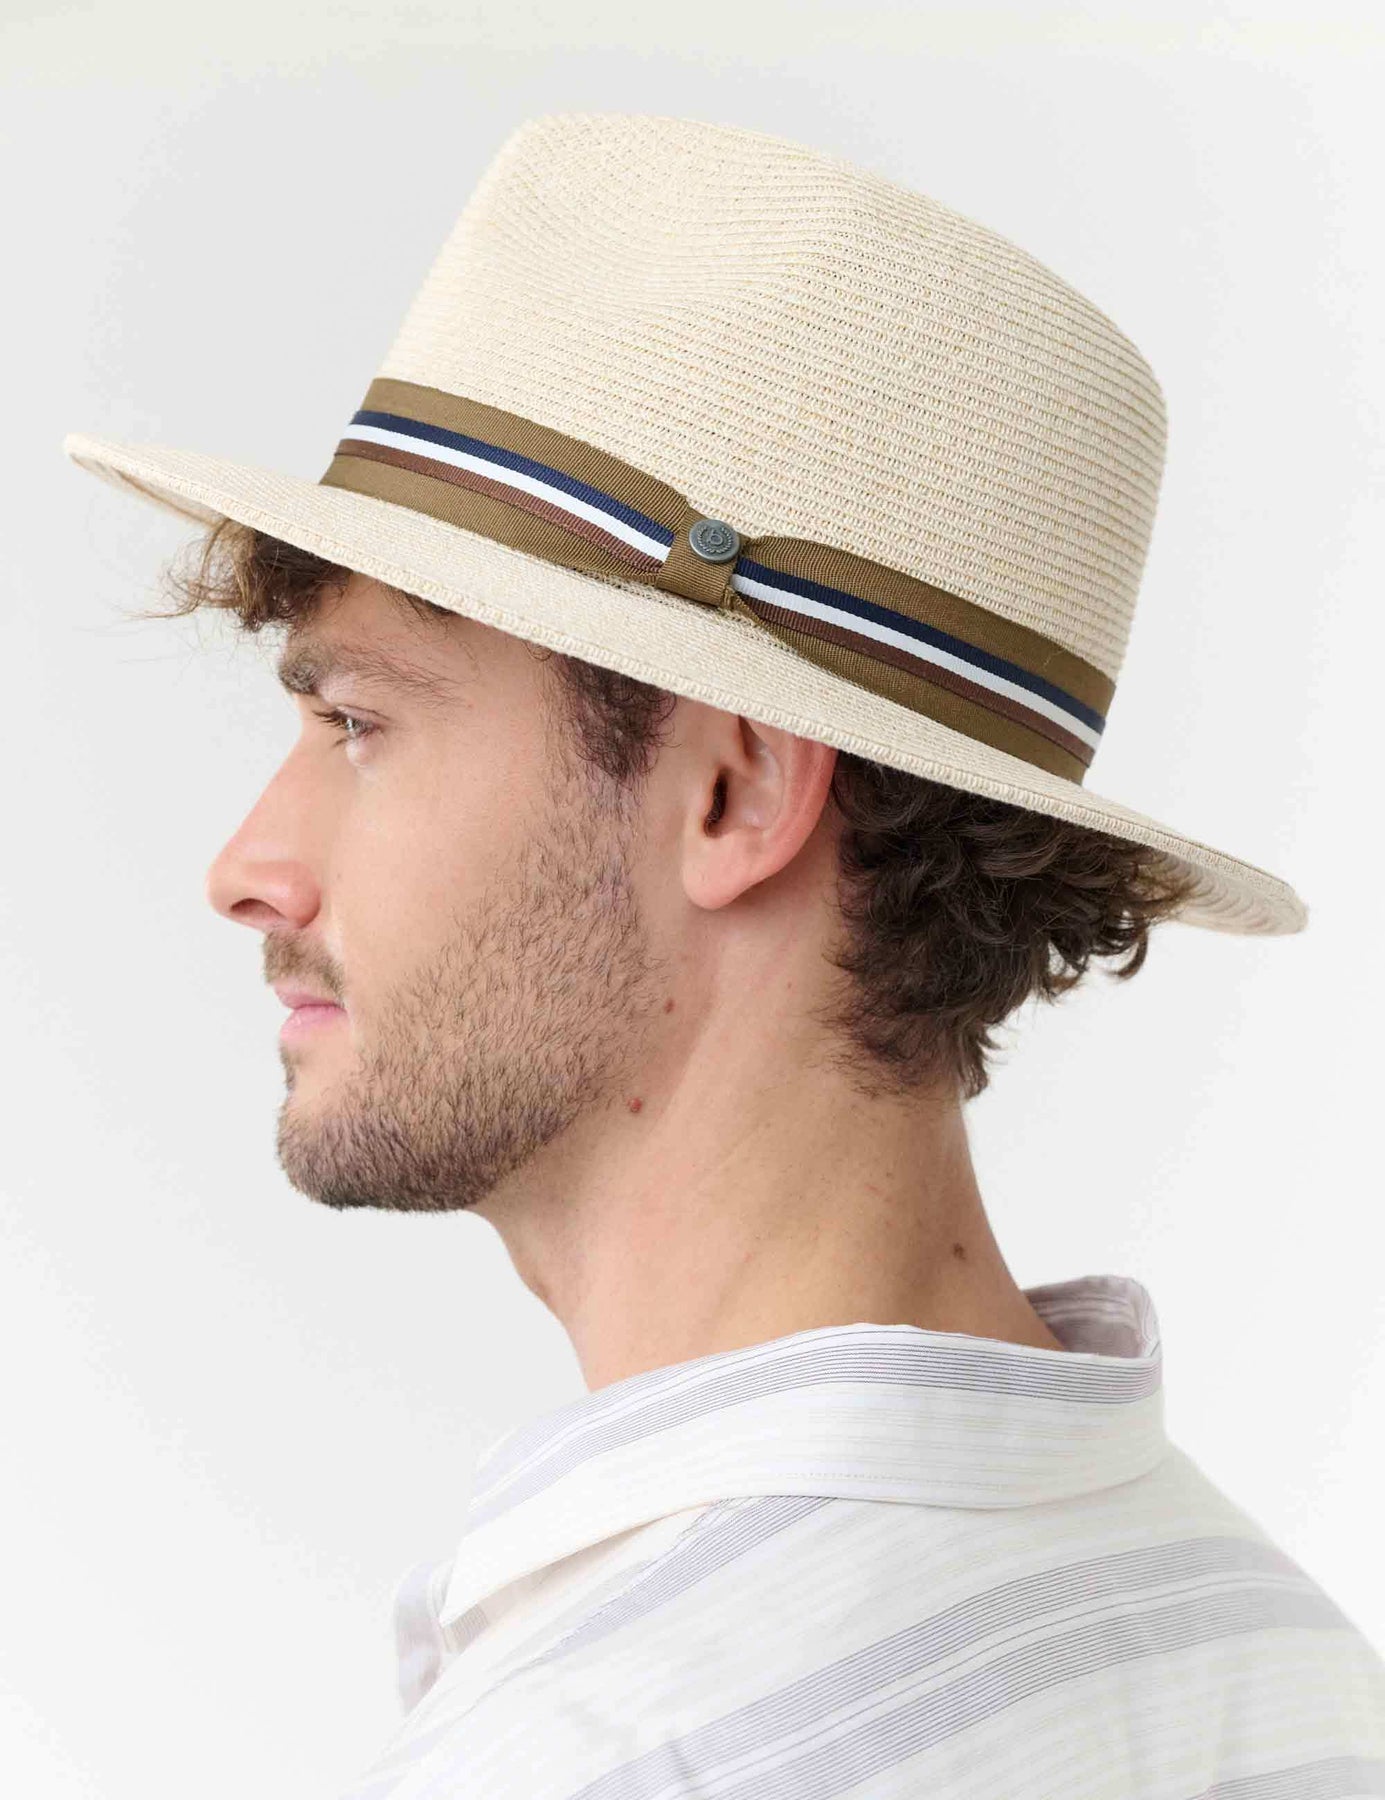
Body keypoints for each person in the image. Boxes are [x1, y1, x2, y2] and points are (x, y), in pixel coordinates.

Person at [63, 112, 1385, 1797]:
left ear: (732, 792)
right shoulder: (1283, 1667)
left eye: (359, 724)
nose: (247, 871)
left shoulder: (612, 1754)